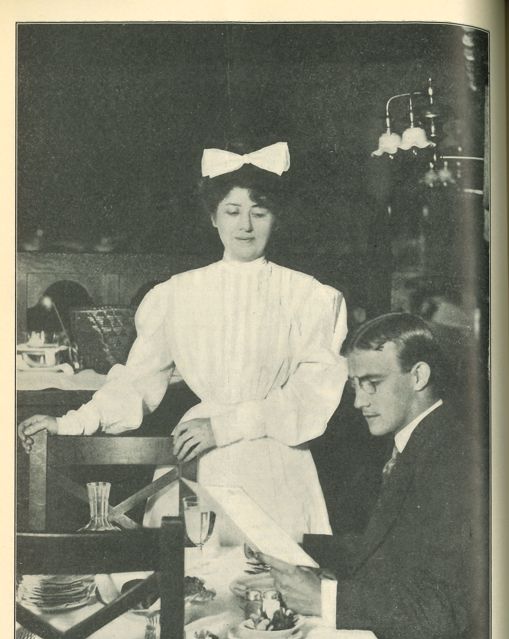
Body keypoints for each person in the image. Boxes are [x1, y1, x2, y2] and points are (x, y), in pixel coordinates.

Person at [18, 141, 348, 541]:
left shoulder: (310, 296)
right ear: (213, 217)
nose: (245, 226)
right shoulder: (176, 295)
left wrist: (225, 427)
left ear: (276, 218)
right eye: (232, 211)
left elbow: (312, 397)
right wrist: (70, 423)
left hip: (276, 458)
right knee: (190, 583)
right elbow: (135, 385)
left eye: (259, 213)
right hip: (198, 462)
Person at [264, 313, 488, 639]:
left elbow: (445, 606)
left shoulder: (454, 458)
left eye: (372, 383)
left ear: (419, 375)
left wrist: (326, 600)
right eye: (354, 386)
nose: (358, 401)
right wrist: (301, 543)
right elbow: (393, 549)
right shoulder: (425, 439)